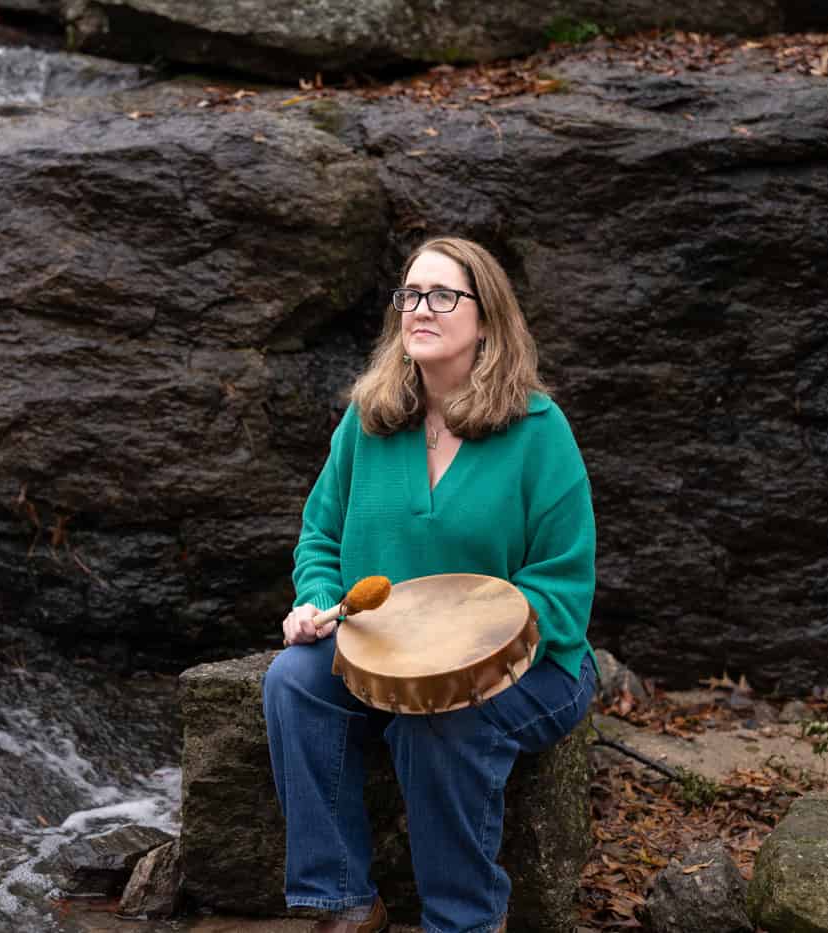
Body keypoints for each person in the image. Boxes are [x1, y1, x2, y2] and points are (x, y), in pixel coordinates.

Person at [262, 236, 599, 933]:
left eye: (442, 295)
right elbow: (320, 537)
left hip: (530, 664)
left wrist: (459, 650)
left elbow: (563, 585)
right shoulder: (370, 418)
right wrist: (320, 606)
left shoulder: (539, 429)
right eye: (410, 294)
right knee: (292, 679)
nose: (421, 307)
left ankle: (466, 918)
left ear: (487, 318)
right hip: (384, 650)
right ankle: (344, 901)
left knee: (443, 718)